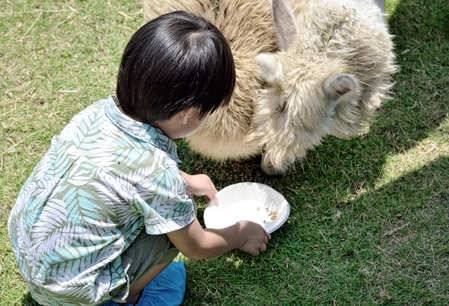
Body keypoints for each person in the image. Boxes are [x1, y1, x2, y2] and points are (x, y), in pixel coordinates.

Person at [8, 11, 271, 306]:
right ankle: (130, 296)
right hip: (70, 289)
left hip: (31, 257)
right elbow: (197, 246)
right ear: (188, 114)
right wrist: (242, 233)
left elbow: (115, 167)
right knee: (170, 235)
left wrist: (184, 180)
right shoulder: (158, 173)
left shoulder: (96, 113)